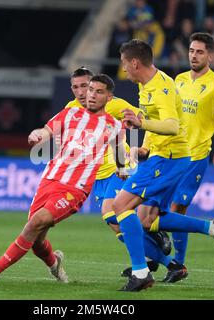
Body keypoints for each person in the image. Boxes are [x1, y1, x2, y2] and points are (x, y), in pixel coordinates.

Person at [0, 74, 127, 282]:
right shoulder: (70, 113)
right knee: (36, 239)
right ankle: (55, 265)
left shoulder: (114, 126)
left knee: (36, 222)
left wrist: (123, 170)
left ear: (109, 98)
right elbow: (46, 130)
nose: (91, 95)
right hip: (49, 181)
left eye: (98, 91)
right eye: (90, 89)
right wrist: (37, 134)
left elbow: (120, 156)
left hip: (75, 188)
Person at [113, 39, 214, 291]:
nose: (124, 69)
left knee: (121, 205)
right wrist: (145, 143)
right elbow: (153, 118)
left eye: (125, 64)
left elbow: (171, 125)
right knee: (146, 218)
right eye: (191, 50)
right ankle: (212, 229)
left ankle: (143, 271)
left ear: (135, 63)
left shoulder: (164, 88)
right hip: (163, 154)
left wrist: (140, 124)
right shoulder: (153, 84)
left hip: (174, 156)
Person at [65, 66, 165, 274]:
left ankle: (156, 239)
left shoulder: (113, 103)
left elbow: (140, 116)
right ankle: (152, 255)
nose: (81, 92)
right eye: (76, 87)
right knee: (115, 225)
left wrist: (132, 122)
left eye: (85, 86)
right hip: (97, 176)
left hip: (120, 169)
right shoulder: (71, 109)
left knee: (111, 213)